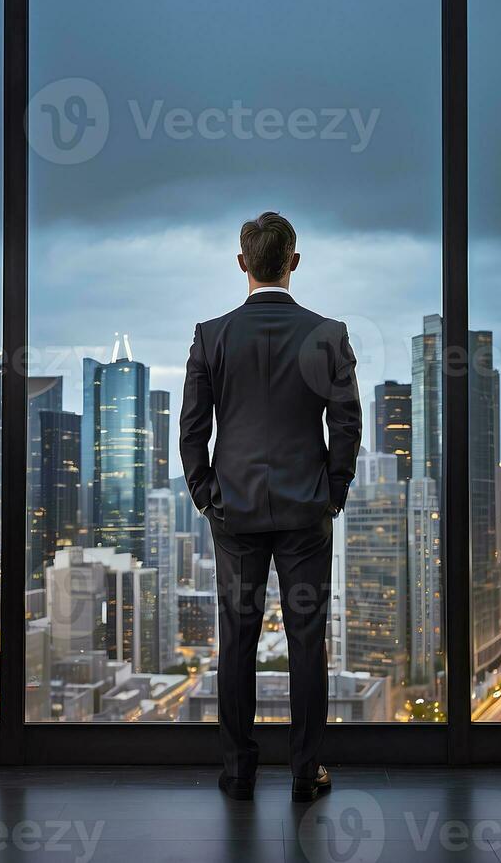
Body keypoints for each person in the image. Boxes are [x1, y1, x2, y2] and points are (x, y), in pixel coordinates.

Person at [180, 211, 361, 801]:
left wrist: (208, 496)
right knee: (308, 640)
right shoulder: (327, 335)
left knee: (238, 640)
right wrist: (331, 492)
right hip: (307, 510)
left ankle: (238, 773)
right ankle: (307, 774)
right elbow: (347, 423)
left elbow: (190, 430)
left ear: (242, 265)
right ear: (294, 262)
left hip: (234, 514)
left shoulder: (211, 335)